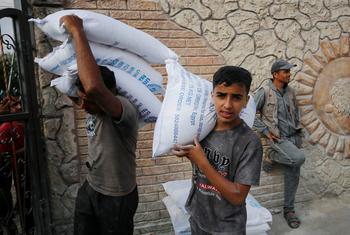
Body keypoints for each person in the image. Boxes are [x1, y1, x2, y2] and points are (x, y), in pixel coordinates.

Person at [60, 15, 139, 235]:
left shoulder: (123, 109)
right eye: (81, 100)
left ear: (109, 94)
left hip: (117, 197)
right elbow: (85, 93)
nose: (82, 105)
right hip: (91, 185)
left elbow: (94, 87)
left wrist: (77, 31)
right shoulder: (91, 104)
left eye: (88, 101)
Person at [172, 66, 263, 235]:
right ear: (212, 95)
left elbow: (237, 196)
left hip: (227, 227)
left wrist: (202, 162)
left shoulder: (249, 142)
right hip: (198, 217)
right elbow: (197, 160)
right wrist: (188, 154)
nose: (227, 105)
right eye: (221, 95)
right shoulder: (202, 130)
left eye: (236, 97)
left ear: (246, 101)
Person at [253, 58, 305, 229]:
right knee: (298, 159)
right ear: (275, 74)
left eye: (289, 71)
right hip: (278, 139)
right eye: (285, 71)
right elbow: (248, 113)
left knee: (293, 175)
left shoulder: (290, 92)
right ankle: (272, 154)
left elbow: (295, 112)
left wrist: (299, 131)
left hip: (293, 138)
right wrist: (266, 132)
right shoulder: (265, 91)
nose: (289, 74)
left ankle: (289, 210)